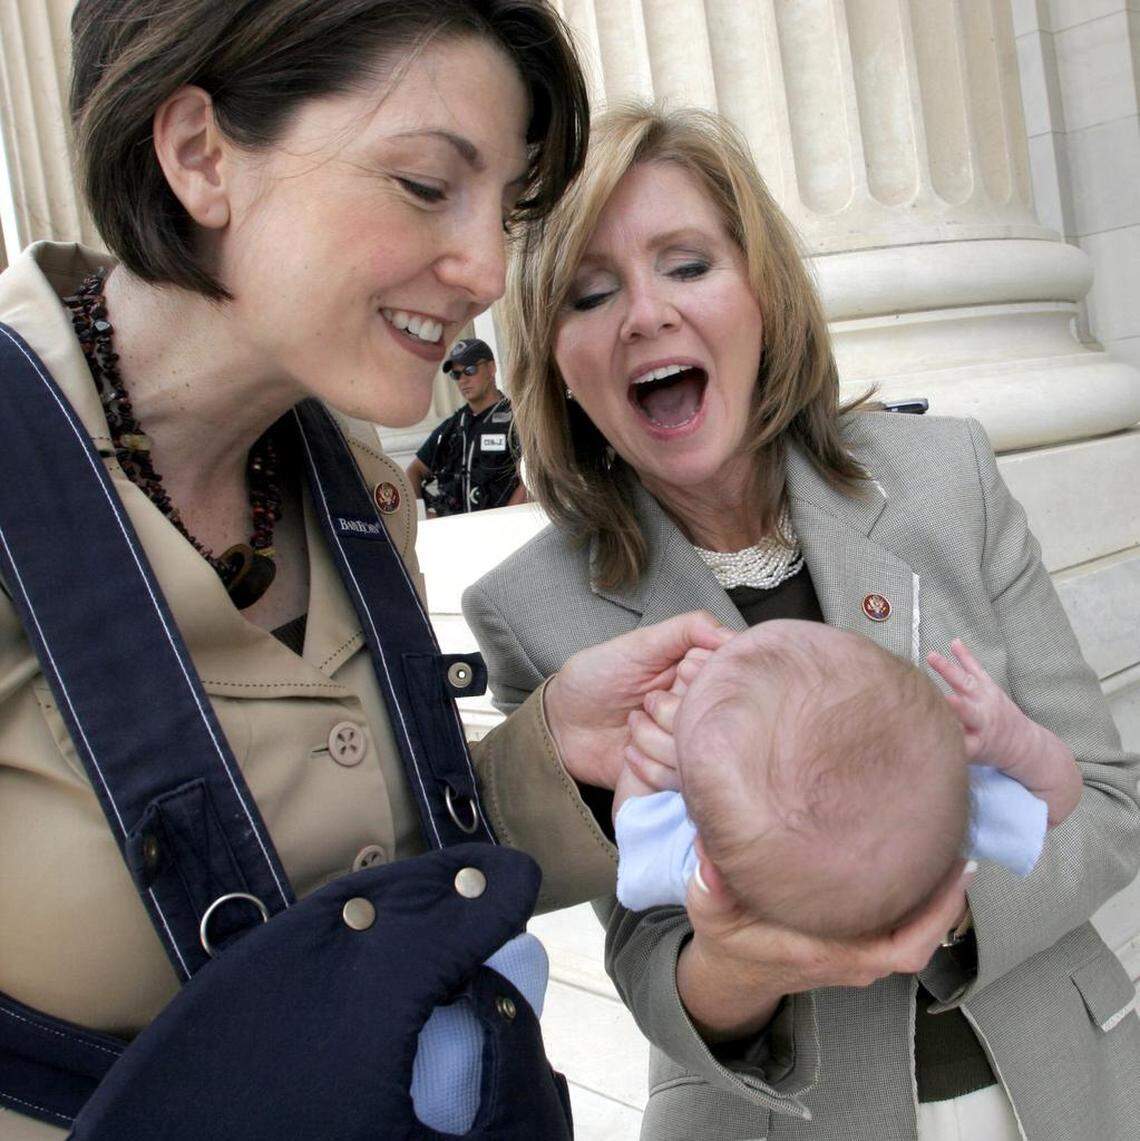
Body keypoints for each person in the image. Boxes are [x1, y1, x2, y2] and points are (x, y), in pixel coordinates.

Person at [0, 9, 729, 1137]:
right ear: (199, 152)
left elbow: (332, 875)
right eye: (428, 184)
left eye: (506, 204)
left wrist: (556, 760)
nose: (488, 269)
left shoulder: (355, 489)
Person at [462, 103, 1140, 1140]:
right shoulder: (533, 608)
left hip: (1066, 1086)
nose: (645, 314)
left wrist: (928, 898)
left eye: (687, 266)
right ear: (553, 358)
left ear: (763, 295)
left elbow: (1106, 801)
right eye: (590, 294)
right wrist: (738, 959)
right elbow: (650, 963)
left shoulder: (944, 477)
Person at [614, 624, 1077, 925]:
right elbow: (1062, 798)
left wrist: (651, 760)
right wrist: (1016, 740)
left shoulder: (699, 844)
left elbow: (631, 828)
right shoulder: (934, 792)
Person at [405, 337, 526, 515]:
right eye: (456, 374)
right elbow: (414, 471)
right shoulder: (452, 426)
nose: (463, 380)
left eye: (470, 370)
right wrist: (422, 516)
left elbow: (531, 480)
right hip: (455, 533)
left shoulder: (516, 418)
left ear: (491, 368)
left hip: (502, 530)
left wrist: (506, 519)